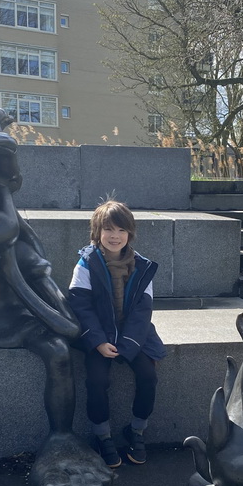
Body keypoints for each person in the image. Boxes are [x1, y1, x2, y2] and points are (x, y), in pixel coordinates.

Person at [68, 200, 166, 468]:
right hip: (97, 334)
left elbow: (142, 311)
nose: (115, 236)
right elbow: (80, 305)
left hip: (133, 335)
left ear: (129, 234)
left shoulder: (143, 267)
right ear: (97, 232)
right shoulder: (86, 264)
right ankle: (102, 435)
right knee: (97, 380)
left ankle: (136, 430)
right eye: (108, 229)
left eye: (121, 230)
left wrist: (129, 345)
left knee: (148, 375)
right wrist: (98, 341)